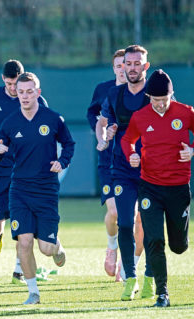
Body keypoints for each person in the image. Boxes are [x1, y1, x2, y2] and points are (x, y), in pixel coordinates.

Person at [121, 69, 194, 307]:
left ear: (172, 95)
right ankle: (162, 293)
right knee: (154, 239)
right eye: (155, 100)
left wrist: (192, 150)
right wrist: (131, 155)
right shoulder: (140, 116)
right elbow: (127, 139)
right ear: (148, 97)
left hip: (178, 188)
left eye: (164, 100)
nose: (160, 105)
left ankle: (180, 239)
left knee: (178, 246)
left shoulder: (186, 112)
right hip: (150, 187)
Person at [0, 72, 74, 305]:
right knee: (24, 242)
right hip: (19, 190)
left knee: (46, 249)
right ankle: (33, 292)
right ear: (15, 93)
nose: (25, 96)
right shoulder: (9, 123)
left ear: (38, 93)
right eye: (21, 92)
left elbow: (69, 143)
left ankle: (57, 246)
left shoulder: (53, 119)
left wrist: (63, 161)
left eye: (30, 91)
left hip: (46, 190)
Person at [0, 60, 48, 285]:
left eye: (17, 83)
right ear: (2, 79)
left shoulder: (36, 100)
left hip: (24, 171)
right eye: (9, 83)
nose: (14, 89)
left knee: (23, 221)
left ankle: (18, 269)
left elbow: (45, 130)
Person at [96, 45, 155, 301]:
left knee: (150, 224)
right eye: (126, 64)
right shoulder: (113, 94)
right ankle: (129, 278)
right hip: (121, 170)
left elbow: (170, 123)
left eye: (135, 63)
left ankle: (151, 277)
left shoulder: (156, 94)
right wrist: (107, 134)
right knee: (125, 222)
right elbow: (107, 122)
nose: (130, 68)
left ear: (145, 65)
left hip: (152, 170)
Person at [86, 50, 126, 279]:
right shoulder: (103, 90)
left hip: (133, 160)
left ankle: (125, 260)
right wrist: (100, 135)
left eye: (126, 64)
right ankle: (112, 246)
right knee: (114, 212)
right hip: (108, 160)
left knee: (131, 216)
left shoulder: (140, 91)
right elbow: (93, 113)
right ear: (113, 68)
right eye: (118, 65)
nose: (123, 69)